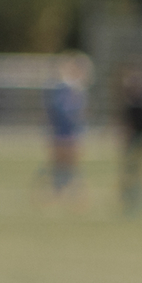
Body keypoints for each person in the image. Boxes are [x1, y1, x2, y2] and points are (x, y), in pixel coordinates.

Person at [45, 52, 94, 203]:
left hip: (70, 133)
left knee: (70, 166)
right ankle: (61, 192)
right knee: (61, 165)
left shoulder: (76, 89)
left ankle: (71, 192)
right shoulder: (64, 88)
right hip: (63, 132)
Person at [116, 56, 142, 211]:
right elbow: (125, 125)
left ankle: (138, 197)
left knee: (139, 170)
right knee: (129, 170)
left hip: (141, 139)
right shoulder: (129, 103)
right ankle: (126, 196)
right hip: (132, 140)